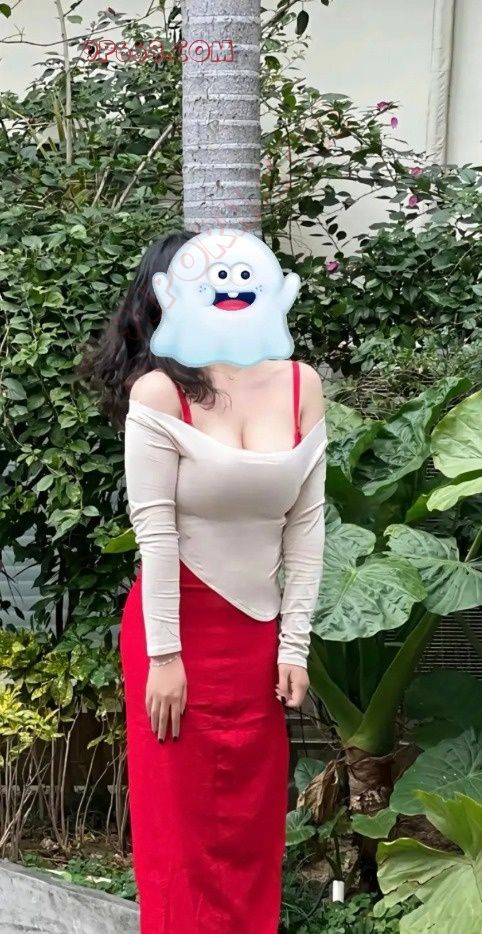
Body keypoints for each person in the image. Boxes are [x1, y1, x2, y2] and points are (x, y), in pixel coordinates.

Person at [81, 230, 327, 933]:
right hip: (176, 636)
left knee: (251, 832)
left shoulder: (300, 383)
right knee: (182, 843)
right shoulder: (158, 393)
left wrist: (294, 645)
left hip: (257, 642)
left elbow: (307, 525)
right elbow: (155, 534)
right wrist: (164, 657)